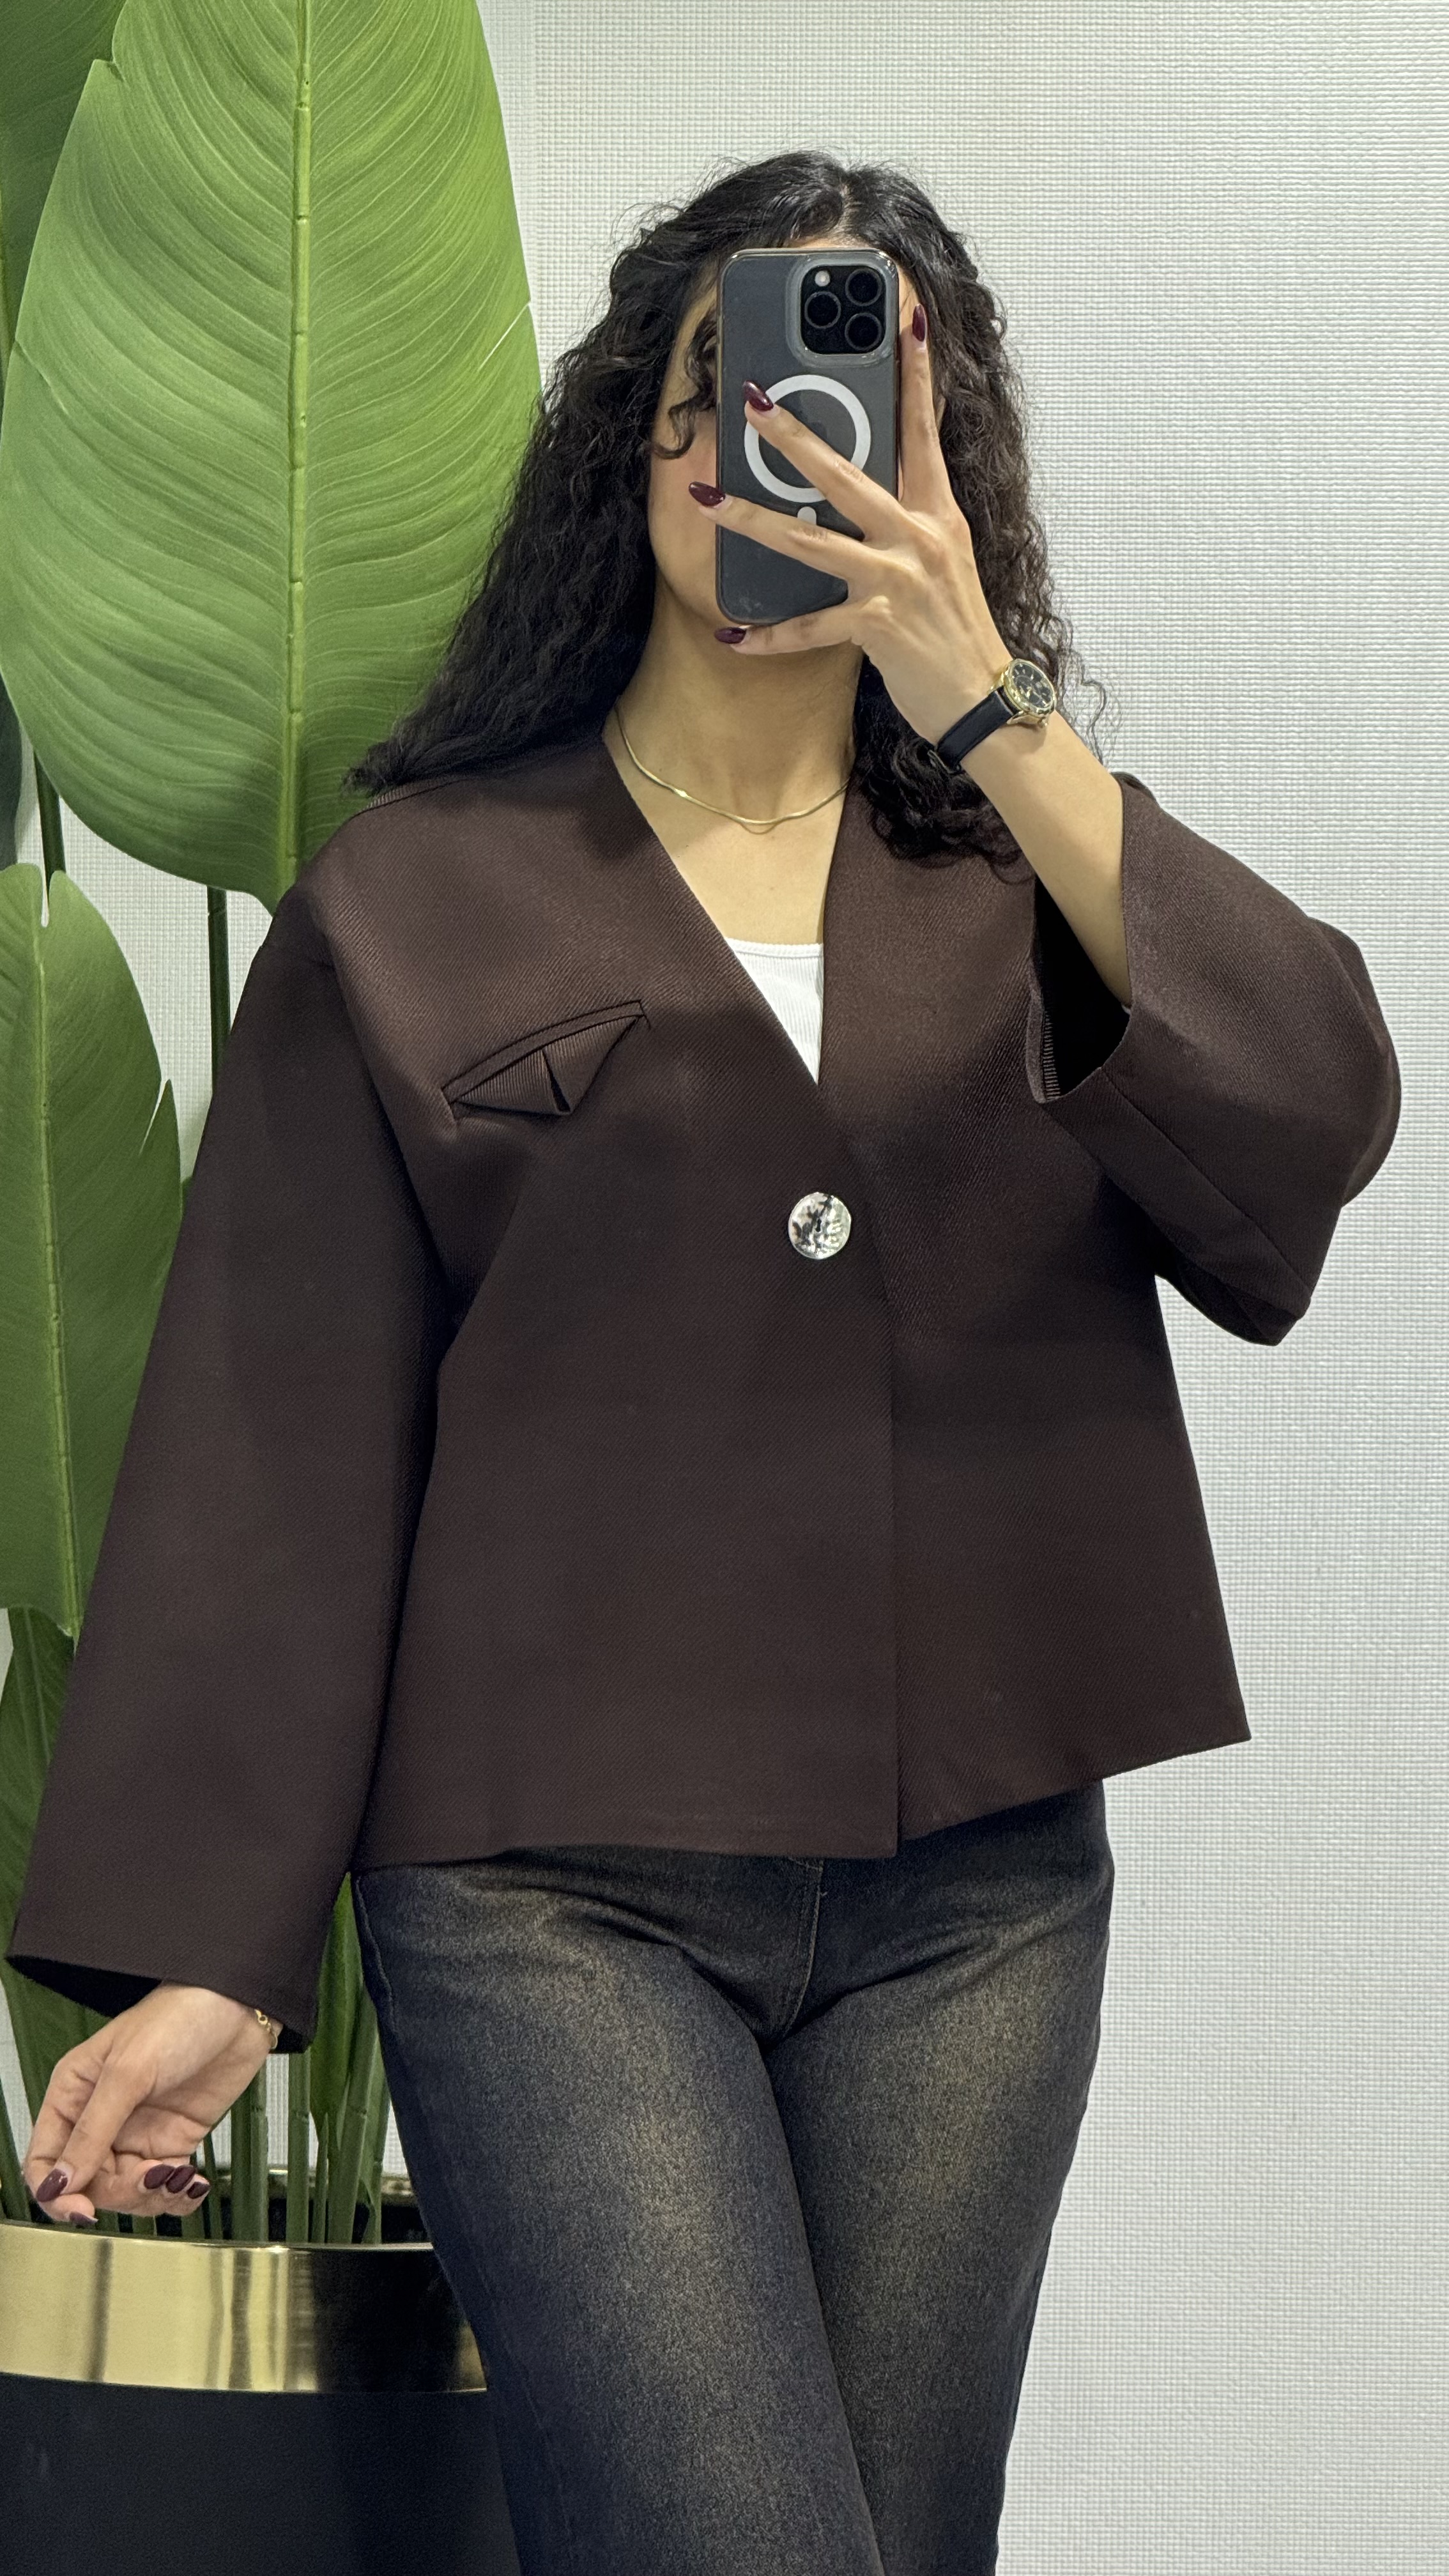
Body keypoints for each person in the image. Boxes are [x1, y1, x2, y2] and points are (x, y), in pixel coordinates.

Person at [10, 151, 1399, 2576]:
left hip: (979, 1896)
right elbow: (280, 1443)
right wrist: (219, 1956)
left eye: (857, 401)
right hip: (549, 1895)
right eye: (713, 387)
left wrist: (982, 698)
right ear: (628, 442)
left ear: (946, 469)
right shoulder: (417, 895)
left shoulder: (1031, 876)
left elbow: (1308, 1107)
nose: (770, 444)